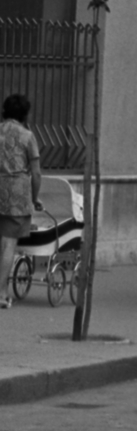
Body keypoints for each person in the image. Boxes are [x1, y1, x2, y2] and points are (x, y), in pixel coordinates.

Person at [0, 94, 44, 310]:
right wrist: (34, 199)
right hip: (16, 195)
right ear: (25, 114)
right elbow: (36, 174)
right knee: (8, 244)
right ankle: (1, 293)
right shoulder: (27, 136)